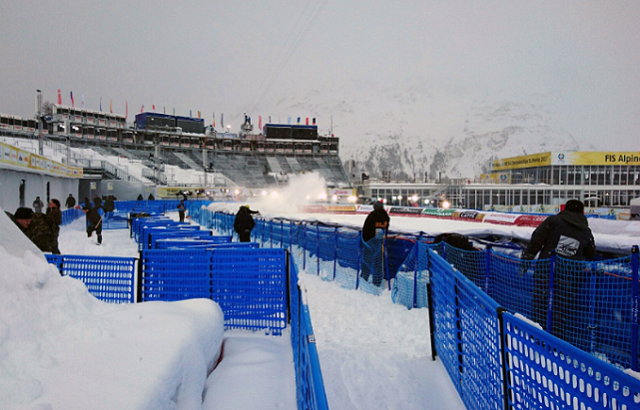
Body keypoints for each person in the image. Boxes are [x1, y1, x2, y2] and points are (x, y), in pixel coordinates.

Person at [522, 199, 596, 340]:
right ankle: (556, 343)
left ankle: (537, 339)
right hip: (568, 276)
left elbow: (537, 239)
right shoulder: (585, 231)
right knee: (560, 312)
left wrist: (526, 259)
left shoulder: (554, 221)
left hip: (545, 271)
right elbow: (591, 252)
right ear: (582, 212)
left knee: (540, 306)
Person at [360, 200, 390, 286]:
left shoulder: (372, 216)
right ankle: (377, 281)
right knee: (378, 264)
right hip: (380, 243)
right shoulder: (385, 216)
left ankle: (364, 278)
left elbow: (366, 229)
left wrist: (364, 242)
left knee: (366, 262)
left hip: (369, 243)